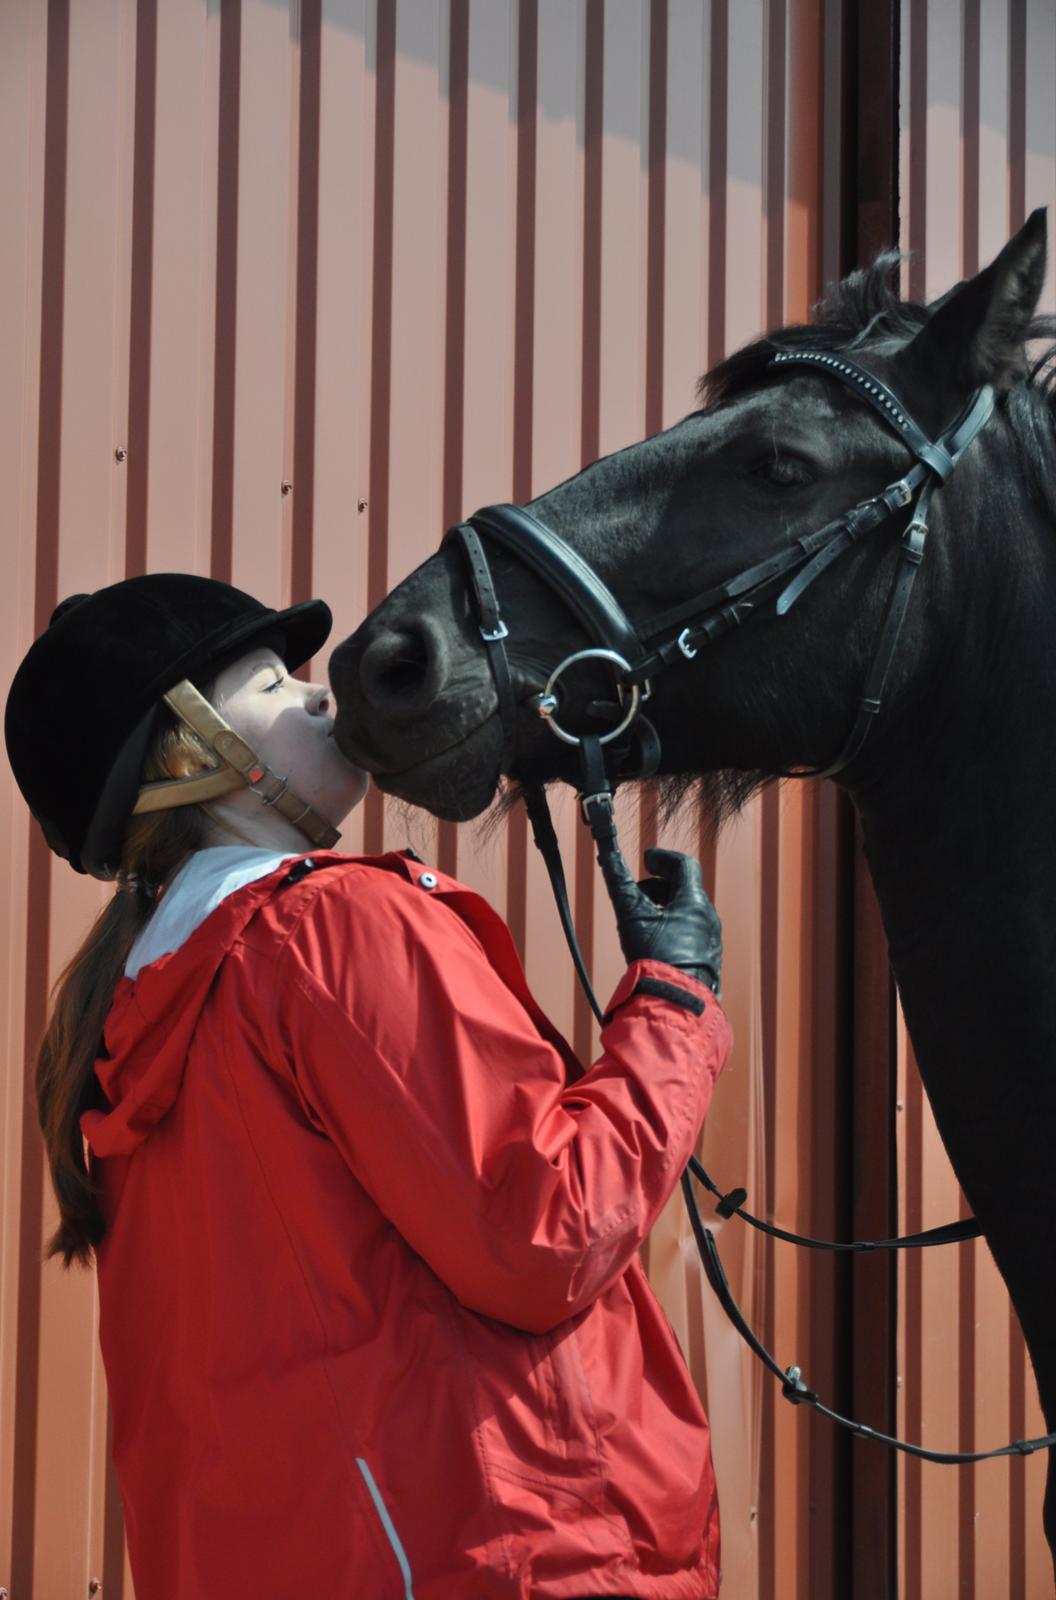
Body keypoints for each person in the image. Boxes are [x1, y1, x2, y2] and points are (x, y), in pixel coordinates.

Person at [4, 573, 732, 1600]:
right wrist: (675, 1003)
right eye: (270, 682)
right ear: (186, 754)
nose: (317, 694)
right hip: (513, 1564)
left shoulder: (135, 1026)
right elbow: (545, 1227)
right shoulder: (328, 928)